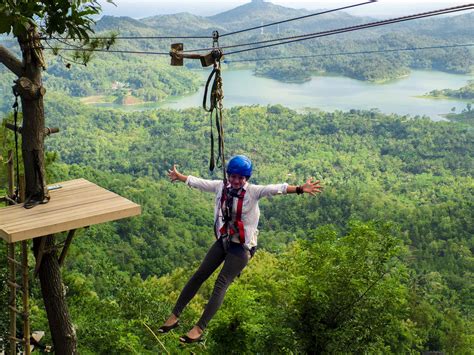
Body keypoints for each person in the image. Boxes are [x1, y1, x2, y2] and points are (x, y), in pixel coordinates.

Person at [159, 155, 323, 343]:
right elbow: (200, 183)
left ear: (247, 178)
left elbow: (277, 189)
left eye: (241, 177)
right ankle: (174, 316)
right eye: (233, 176)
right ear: (229, 175)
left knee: (220, 284)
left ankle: (199, 328)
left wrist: (301, 189)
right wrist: (180, 177)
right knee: (199, 275)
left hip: (242, 248)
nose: (236, 181)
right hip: (225, 240)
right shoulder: (222, 187)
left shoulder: (253, 192)